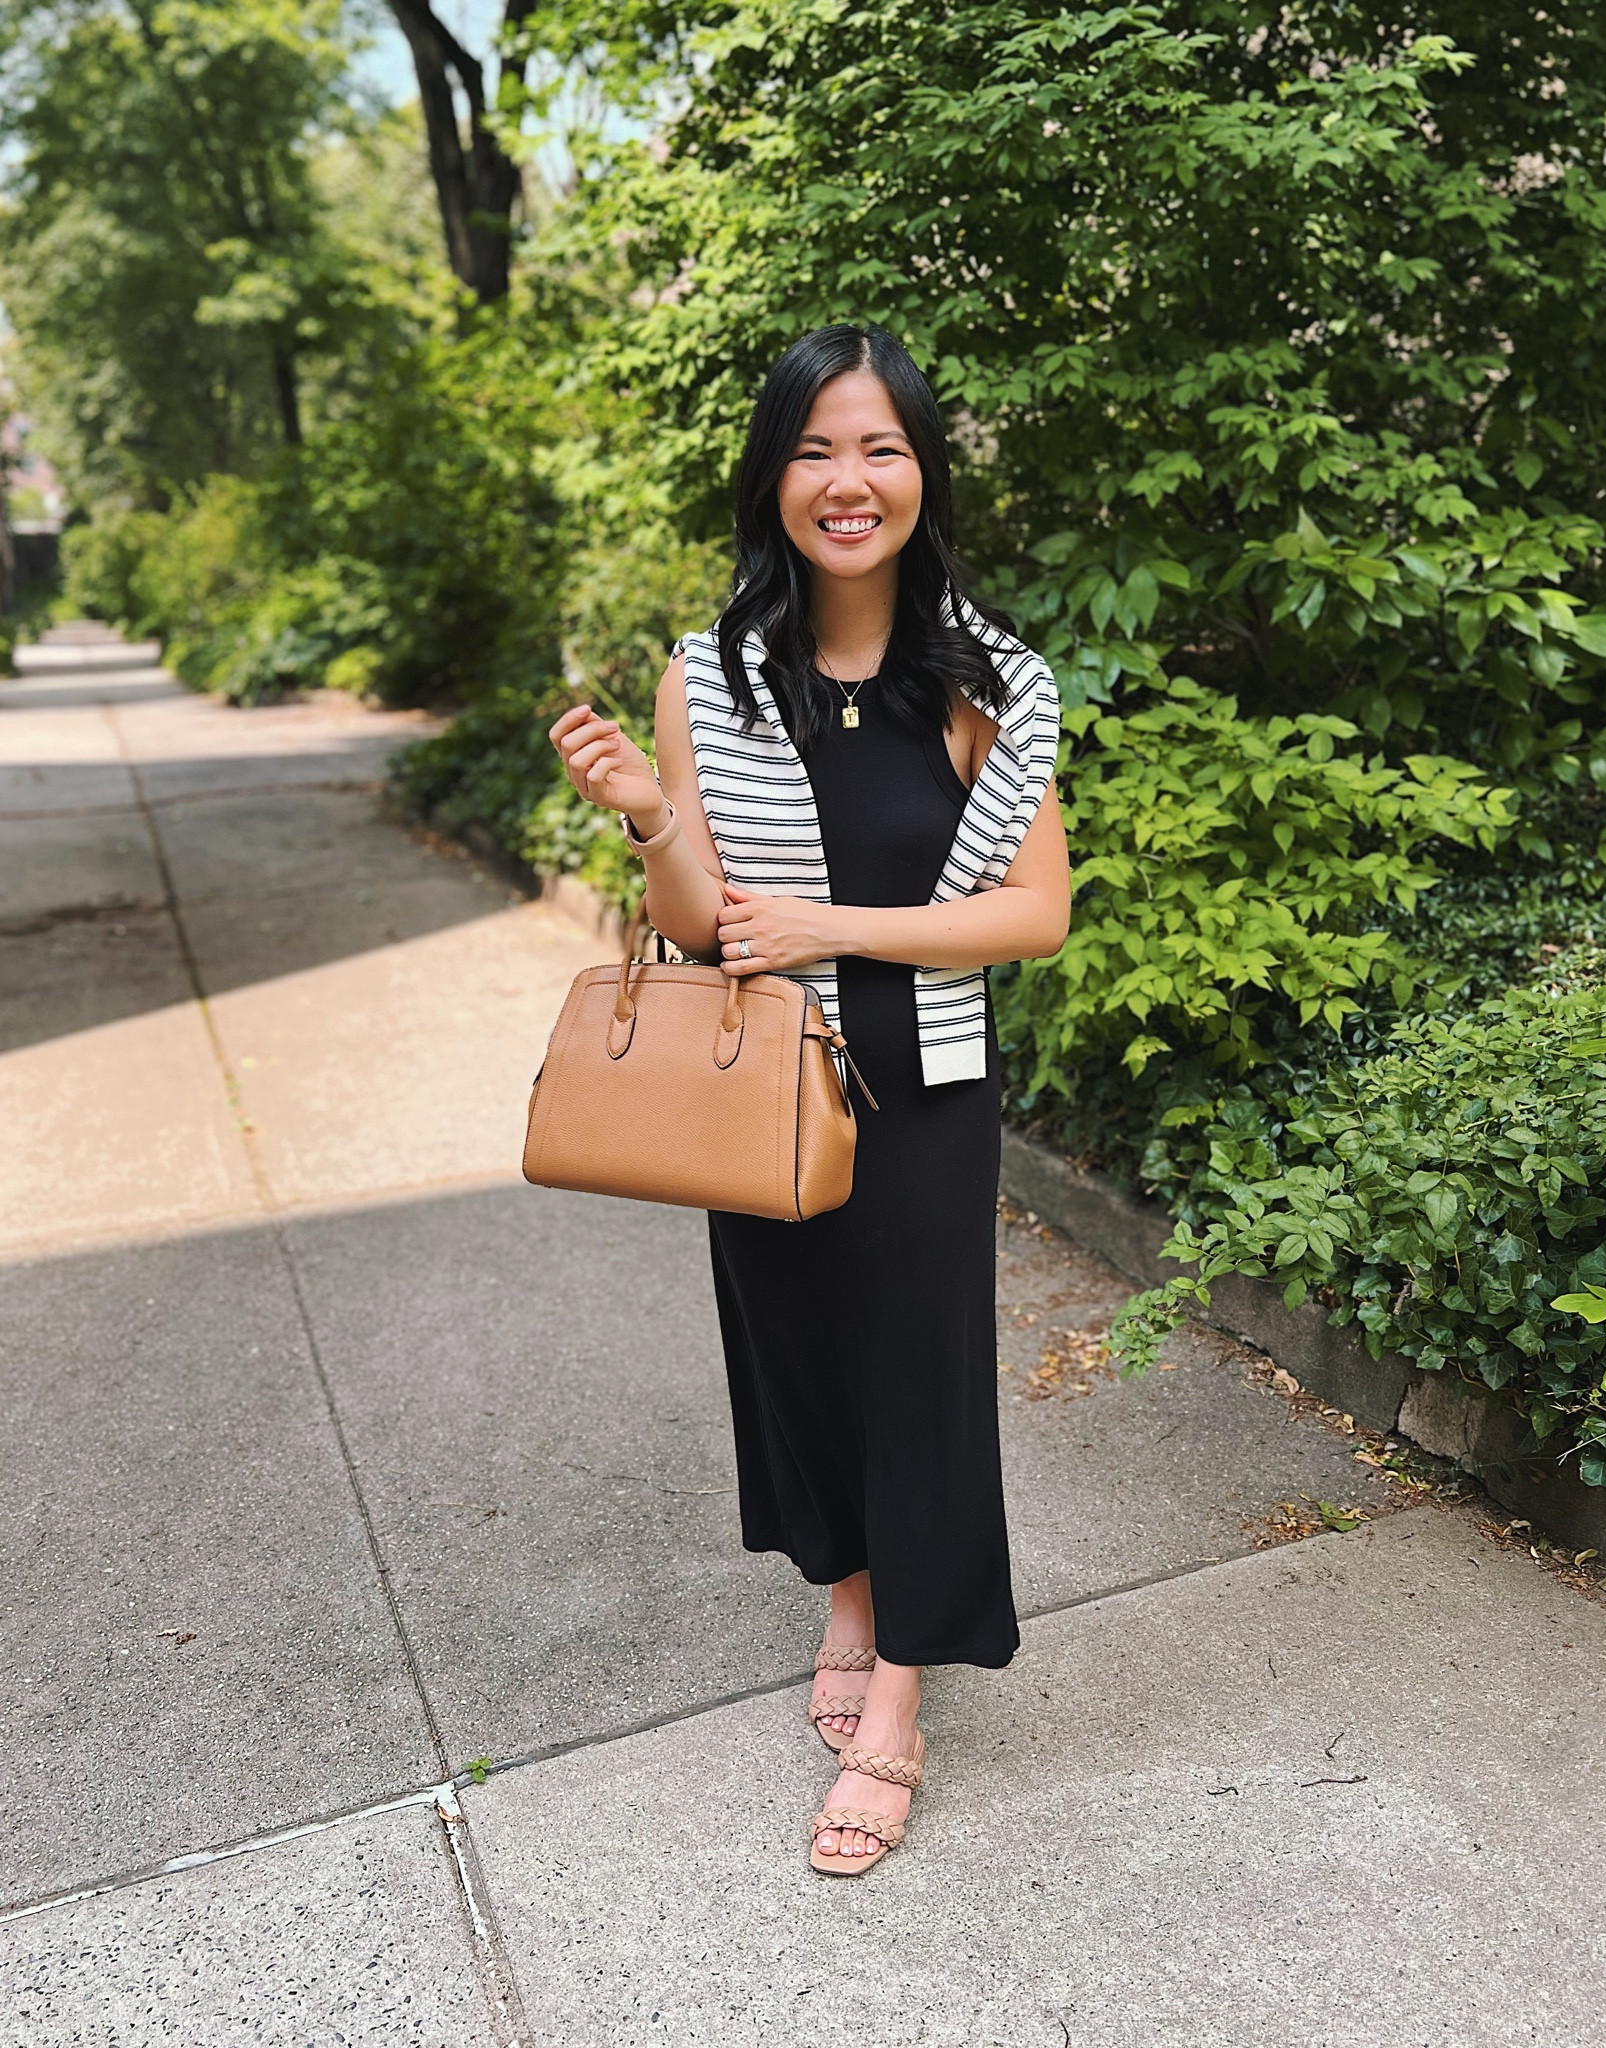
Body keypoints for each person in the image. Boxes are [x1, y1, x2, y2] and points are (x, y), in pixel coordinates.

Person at [549, 323, 1070, 1877]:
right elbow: (708, 927)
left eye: (882, 448)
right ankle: (845, 1595)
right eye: (817, 449)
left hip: (924, 1084)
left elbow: (1036, 911)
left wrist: (844, 927)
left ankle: (900, 1691)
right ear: (773, 473)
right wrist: (653, 823)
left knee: (916, 1376)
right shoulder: (704, 680)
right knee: (797, 1366)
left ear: (922, 471)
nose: (849, 482)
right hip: (762, 1084)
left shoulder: (989, 681)